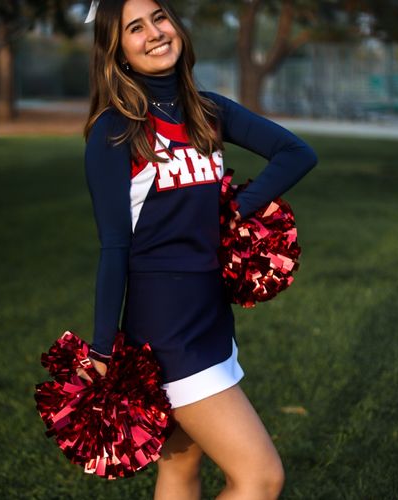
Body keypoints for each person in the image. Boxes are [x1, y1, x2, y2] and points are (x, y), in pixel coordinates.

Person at [78, 0, 318, 498]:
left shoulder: (208, 110)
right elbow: (114, 247)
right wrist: (102, 348)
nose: (154, 33)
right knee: (260, 476)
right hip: (167, 329)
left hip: (211, 314)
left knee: (181, 469)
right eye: (135, 29)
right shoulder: (114, 130)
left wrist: (238, 206)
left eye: (159, 18)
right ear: (117, 51)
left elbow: (297, 152)